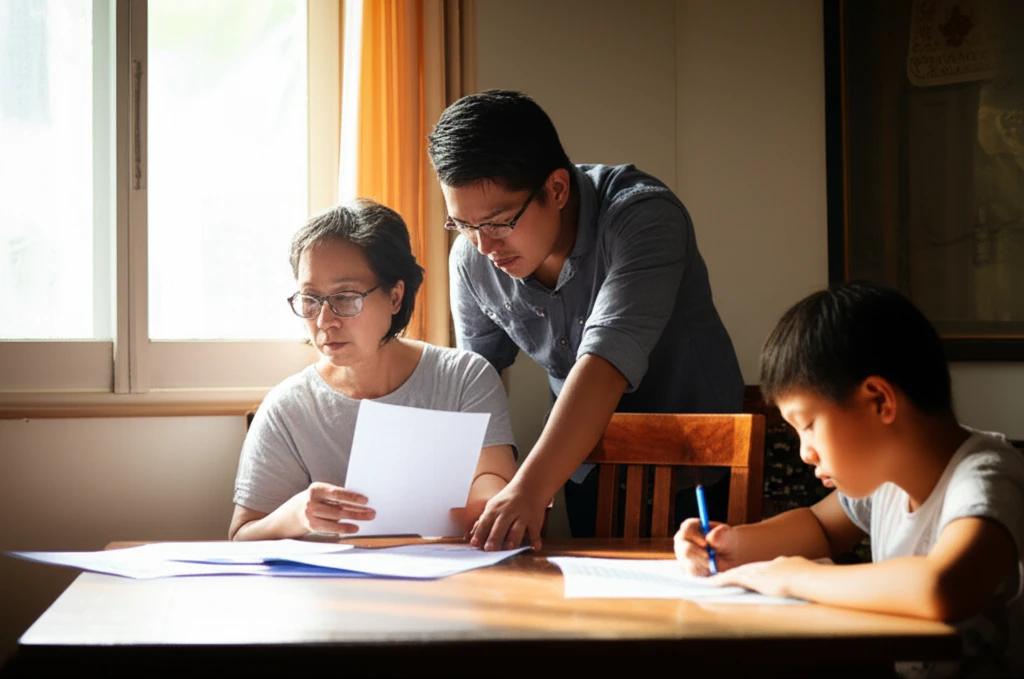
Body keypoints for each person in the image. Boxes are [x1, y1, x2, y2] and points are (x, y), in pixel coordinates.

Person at [428, 89, 743, 550]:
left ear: (556, 189)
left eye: (497, 222)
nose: (482, 246)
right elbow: (476, 384)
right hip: (581, 461)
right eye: (462, 225)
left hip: (696, 461)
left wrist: (530, 488)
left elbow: (604, 363)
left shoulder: (645, 218)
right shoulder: (473, 259)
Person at [674, 281, 1024, 677]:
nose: (805, 452)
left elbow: (943, 587)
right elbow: (819, 527)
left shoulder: (988, 476)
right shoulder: (887, 480)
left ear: (879, 400)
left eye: (807, 425)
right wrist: (734, 543)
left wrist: (799, 578)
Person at [229, 199, 517, 541]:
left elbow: (495, 486)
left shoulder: (464, 378)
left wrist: (478, 504)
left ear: (395, 297)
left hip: (445, 585)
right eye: (310, 299)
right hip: (330, 591)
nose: (324, 321)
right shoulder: (288, 407)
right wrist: (297, 514)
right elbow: (241, 537)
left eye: (346, 298)